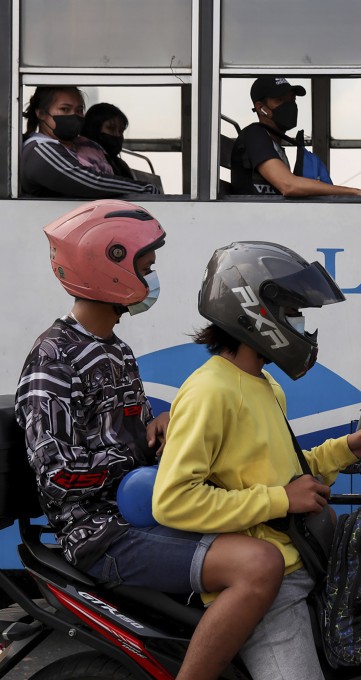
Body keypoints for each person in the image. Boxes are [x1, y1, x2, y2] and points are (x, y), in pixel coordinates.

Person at [14, 201, 283, 680]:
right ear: (105, 266)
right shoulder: (53, 358)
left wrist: (154, 427)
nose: (152, 274)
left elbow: (123, 432)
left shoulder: (116, 350)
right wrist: (131, 464)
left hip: (144, 514)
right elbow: (57, 475)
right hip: (101, 533)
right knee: (258, 564)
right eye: (144, 265)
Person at [152, 241, 361, 680]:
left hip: (303, 561)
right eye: (294, 311)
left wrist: (350, 447)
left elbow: (287, 475)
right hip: (270, 587)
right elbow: (173, 501)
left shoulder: (261, 384)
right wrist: (280, 500)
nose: (301, 324)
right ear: (253, 310)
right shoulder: (211, 391)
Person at [230, 76, 361, 197]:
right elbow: (288, 185)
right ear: (261, 108)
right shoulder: (255, 134)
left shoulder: (274, 143)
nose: (289, 107)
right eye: (280, 100)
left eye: (292, 101)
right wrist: (353, 192)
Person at [20, 87, 157, 197]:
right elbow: (91, 182)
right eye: (65, 109)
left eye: (79, 110)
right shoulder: (39, 150)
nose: (73, 115)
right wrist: (145, 189)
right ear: (41, 113)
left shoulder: (86, 145)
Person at [82, 103, 133, 179]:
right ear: (94, 129)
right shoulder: (86, 159)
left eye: (120, 131)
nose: (117, 135)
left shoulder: (120, 165)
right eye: (110, 128)